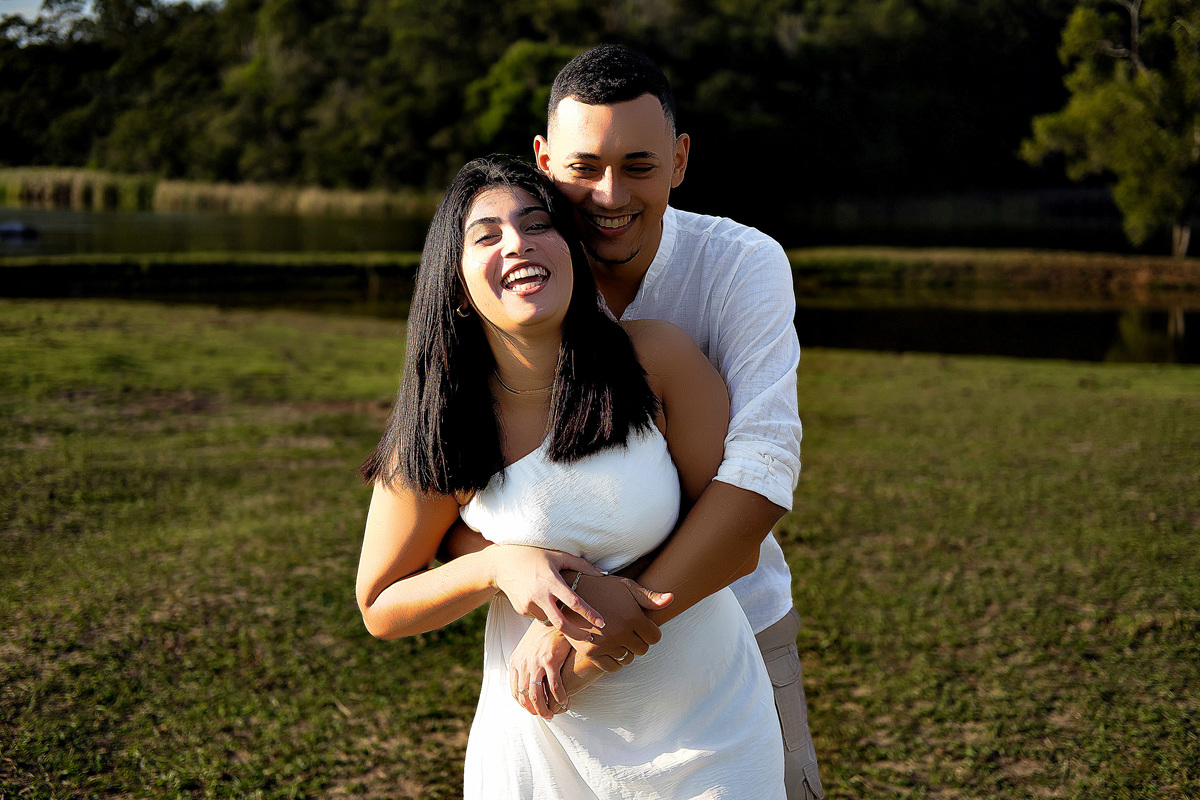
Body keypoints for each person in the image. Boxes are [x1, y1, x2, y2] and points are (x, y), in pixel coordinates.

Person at [440, 45, 825, 800]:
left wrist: (596, 630)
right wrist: (515, 570)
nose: (608, 194)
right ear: (544, 160)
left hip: (732, 637)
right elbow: (452, 501)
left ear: (680, 160)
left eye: (640, 166)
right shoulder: (502, 288)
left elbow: (760, 476)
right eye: (583, 168)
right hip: (550, 680)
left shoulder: (741, 265)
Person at [356, 155, 784, 799]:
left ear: (573, 251)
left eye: (538, 225)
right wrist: (500, 566)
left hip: (709, 732)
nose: (517, 245)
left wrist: (577, 627)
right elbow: (380, 604)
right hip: (540, 747)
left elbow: (735, 541)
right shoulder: (443, 422)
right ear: (456, 278)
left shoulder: (656, 359)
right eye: (487, 235)